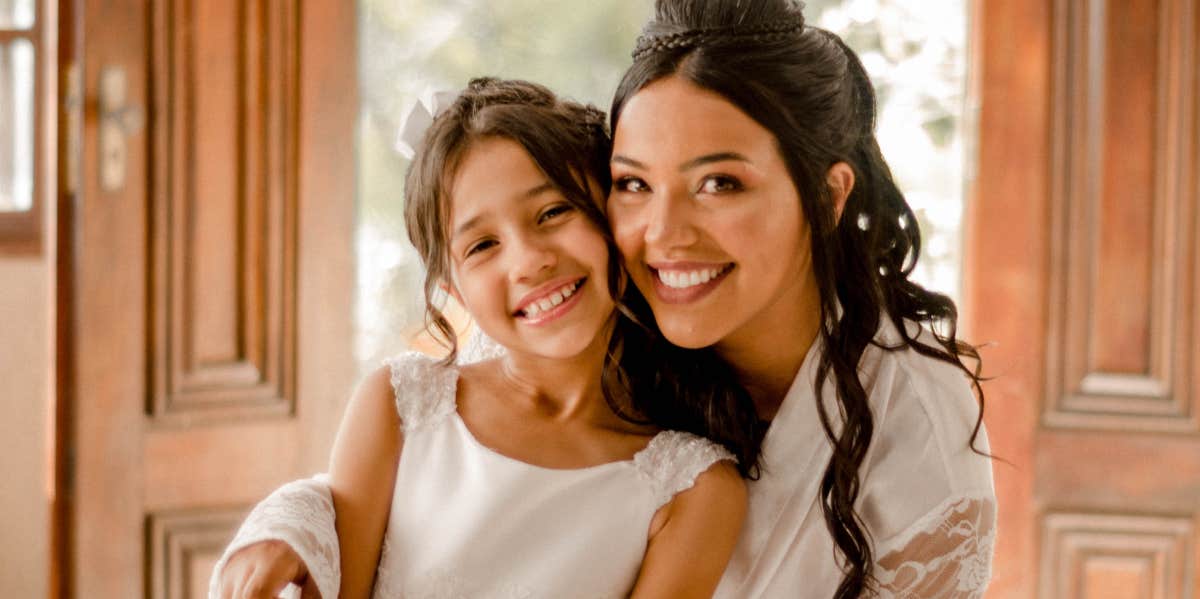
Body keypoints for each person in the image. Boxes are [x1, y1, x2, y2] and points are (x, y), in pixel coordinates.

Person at [212, 1, 997, 597]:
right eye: (632, 184)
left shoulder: (914, 432)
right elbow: (414, 496)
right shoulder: (595, 318)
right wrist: (289, 527)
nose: (663, 233)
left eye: (719, 183)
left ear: (826, 197)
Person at [210, 77, 756, 599]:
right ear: (454, 289)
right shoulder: (400, 406)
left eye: (552, 212)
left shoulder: (693, 489)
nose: (529, 260)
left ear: (611, 215)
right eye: (482, 245)